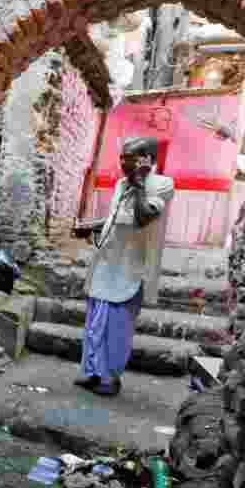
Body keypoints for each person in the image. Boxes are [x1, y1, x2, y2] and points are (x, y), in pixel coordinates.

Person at [73, 137, 174, 396]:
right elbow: (116, 218)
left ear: (148, 160)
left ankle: (110, 380)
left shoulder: (162, 185)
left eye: (129, 157)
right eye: (121, 157)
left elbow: (142, 218)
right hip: (106, 264)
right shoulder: (120, 184)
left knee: (116, 328)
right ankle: (94, 373)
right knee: (95, 323)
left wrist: (139, 182)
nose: (122, 162)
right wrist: (92, 225)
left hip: (129, 269)